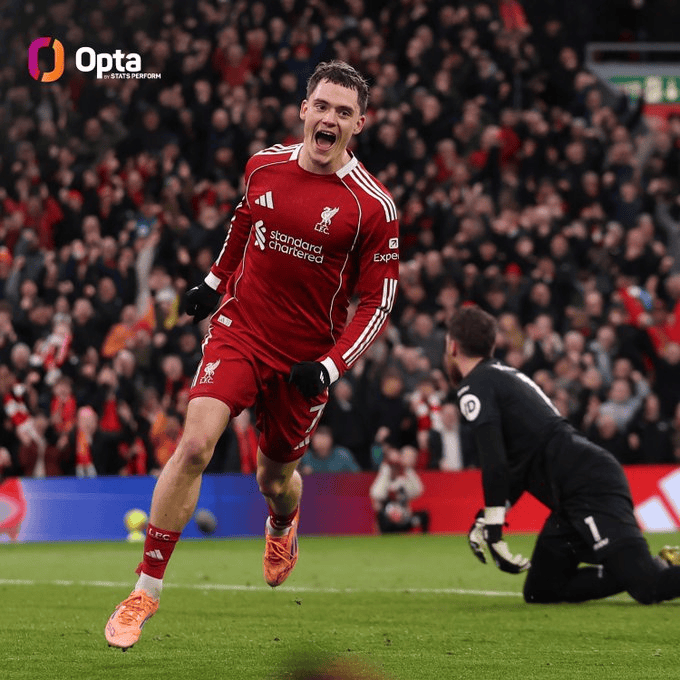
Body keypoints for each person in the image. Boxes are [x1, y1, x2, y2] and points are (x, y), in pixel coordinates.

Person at [105, 60, 399, 650]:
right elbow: (245, 221)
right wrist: (214, 283)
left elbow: (378, 302)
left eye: (344, 112)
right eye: (322, 106)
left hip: (305, 360)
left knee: (275, 477)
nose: (330, 118)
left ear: (359, 124)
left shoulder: (372, 207)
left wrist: (330, 366)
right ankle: (144, 590)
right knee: (194, 445)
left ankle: (283, 523)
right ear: (304, 110)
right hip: (241, 330)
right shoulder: (264, 165)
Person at [446, 305, 680, 605]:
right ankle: (650, 566)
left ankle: (647, 570)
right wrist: (489, 517)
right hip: (573, 493)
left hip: (588, 487)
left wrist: (494, 527)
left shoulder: (475, 385)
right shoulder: (502, 377)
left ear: (452, 346)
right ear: (491, 345)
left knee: (648, 587)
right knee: (542, 590)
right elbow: (520, 463)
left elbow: (495, 461)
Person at [369, 443, 429, 534]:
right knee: (383, 516)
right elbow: (376, 493)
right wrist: (386, 470)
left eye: (413, 457)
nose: (412, 460)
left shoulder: (407, 473)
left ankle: (424, 539)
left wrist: (408, 471)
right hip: (388, 517)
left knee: (424, 516)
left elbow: (418, 491)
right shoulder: (386, 471)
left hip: (404, 515)